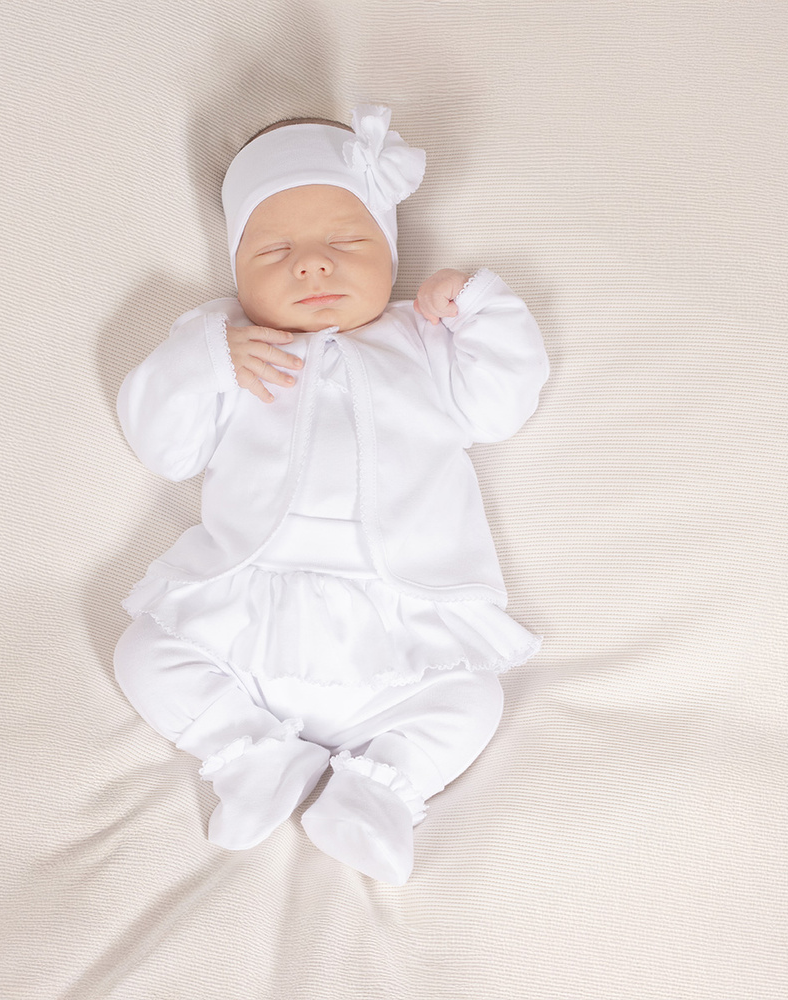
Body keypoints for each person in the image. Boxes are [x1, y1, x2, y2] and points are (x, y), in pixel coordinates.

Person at [113, 105, 549, 884]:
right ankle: (250, 756)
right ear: (236, 270)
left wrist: (480, 309)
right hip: (250, 617)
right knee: (143, 654)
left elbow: (502, 404)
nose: (312, 267)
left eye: (344, 244)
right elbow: (162, 445)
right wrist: (204, 361)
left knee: (474, 700)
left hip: (400, 626)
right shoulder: (230, 347)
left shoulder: (425, 341)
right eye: (275, 250)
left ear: (389, 252)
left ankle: (378, 793)